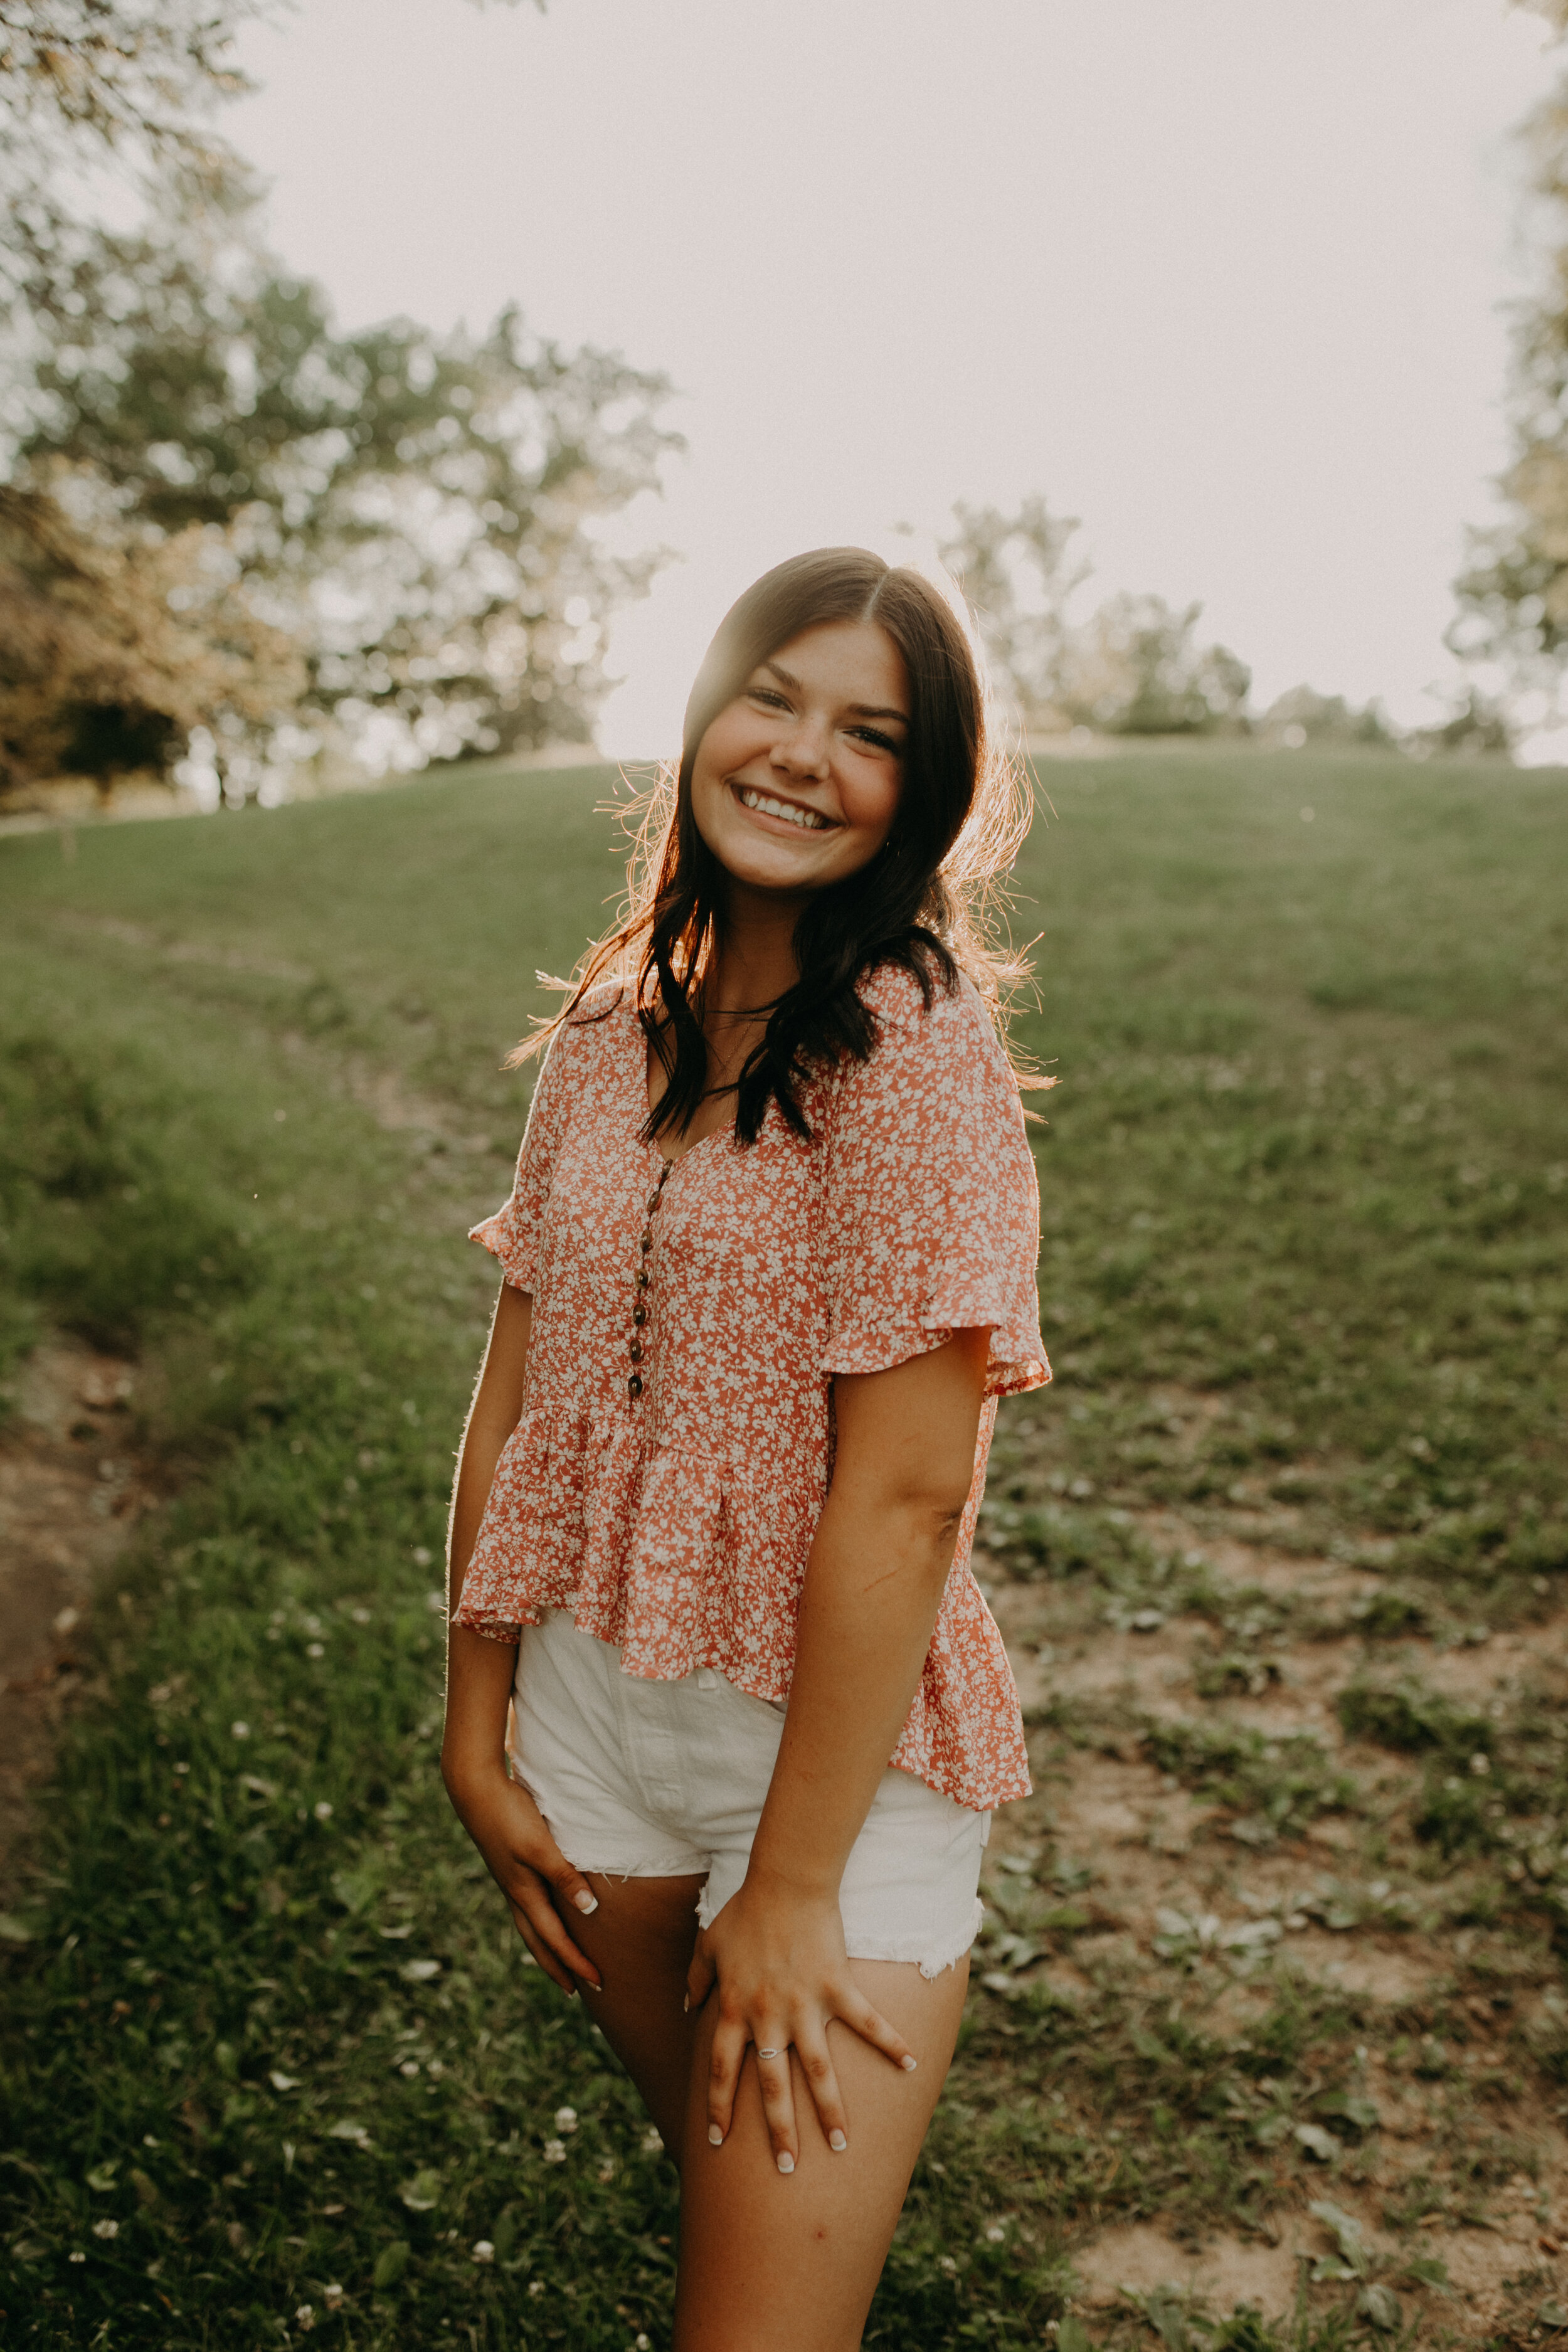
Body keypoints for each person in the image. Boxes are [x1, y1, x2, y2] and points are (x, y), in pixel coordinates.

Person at [440, 545, 1049, 2349]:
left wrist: (791, 1886)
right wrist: (476, 1721)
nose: (802, 753)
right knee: (733, 2195)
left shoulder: (912, 1049)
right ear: (701, 709)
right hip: (588, 1725)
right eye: (773, 694)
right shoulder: (605, 1031)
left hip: (828, 1779)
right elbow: (518, 1395)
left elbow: (914, 1489)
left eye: (867, 730)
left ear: (919, 790)